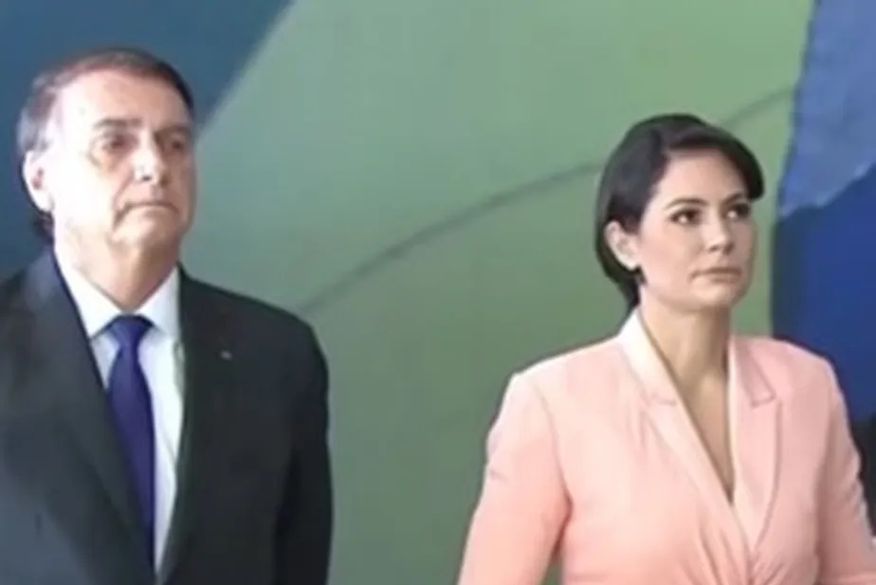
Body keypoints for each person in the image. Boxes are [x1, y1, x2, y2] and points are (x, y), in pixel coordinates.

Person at [456, 113, 876, 584]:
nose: (721, 238)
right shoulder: (553, 402)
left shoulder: (806, 385)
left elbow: (854, 573)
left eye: (736, 211)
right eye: (687, 217)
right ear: (624, 244)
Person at [0, 47, 331, 585]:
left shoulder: (276, 356)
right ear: (40, 180)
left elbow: (297, 560)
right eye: (114, 144)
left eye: (174, 144)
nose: (154, 167)